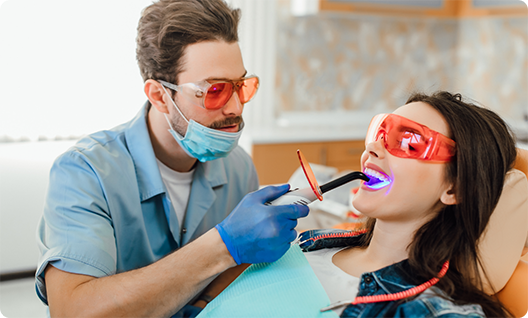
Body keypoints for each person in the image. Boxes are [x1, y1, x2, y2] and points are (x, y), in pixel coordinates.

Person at [35, 1, 308, 317]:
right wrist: (223, 245)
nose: (235, 107)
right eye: (215, 90)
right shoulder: (84, 173)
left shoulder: (238, 167)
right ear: (159, 95)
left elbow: (233, 281)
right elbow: (73, 312)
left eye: (241, 86)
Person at [198, 91, 519, 318]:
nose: (374, 148)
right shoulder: (308, 242)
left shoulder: (431, 312)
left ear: (455, 188)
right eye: (380, 131)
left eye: (408, 140)